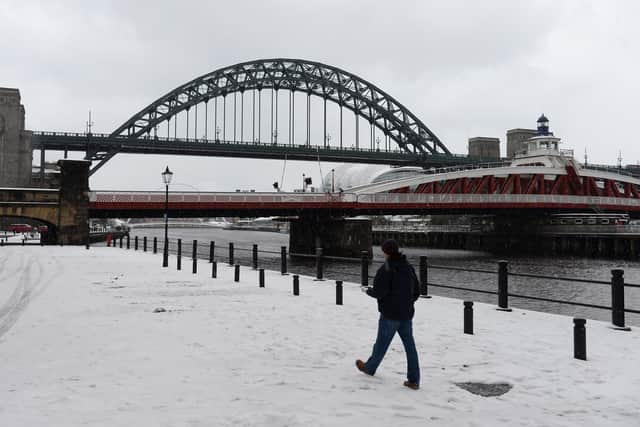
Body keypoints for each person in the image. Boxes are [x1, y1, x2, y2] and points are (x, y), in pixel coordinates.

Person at [356, 239, 421, 390]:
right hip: (406, 314)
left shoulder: (386, 269)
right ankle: (414, 379)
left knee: (381, 344)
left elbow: (380, 292)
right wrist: (407, 302)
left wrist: (368, 291)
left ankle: (370, 368)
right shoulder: (408, 267)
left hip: (390, 314)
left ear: (386, 252)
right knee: (410, 347)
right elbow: (417, 291)